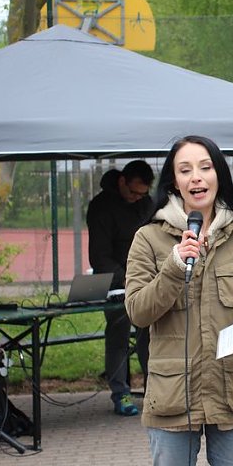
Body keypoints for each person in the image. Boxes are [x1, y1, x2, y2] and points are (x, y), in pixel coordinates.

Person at [125, 135, 233, 466]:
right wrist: (173, 267)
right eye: (185, 170)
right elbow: (138, 312)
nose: (196, 177)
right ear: (174, 181)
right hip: (173, 395)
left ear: (219, 174)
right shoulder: (149, 239)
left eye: (205, 167)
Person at [86, 159, 155, 416]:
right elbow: (99, 256)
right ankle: (121, 393)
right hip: (117, 286)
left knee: (150, 336)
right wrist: (126, 278)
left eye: (142, 194)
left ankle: (155, 391)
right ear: (122, 181)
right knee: (118, 337)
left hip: (147, 284)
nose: (137, 198)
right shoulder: (101, 207)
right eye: (133, 192)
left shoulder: (146, 205)